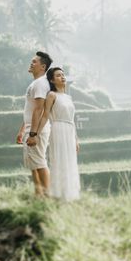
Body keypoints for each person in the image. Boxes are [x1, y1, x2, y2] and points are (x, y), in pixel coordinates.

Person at [36, 66, 80, 201]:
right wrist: (35, 133)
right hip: (57, 129)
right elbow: (45, 116)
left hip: (69, 131)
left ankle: (69, 194)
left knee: (70, 161)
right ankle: (57, 194)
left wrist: (76, 139)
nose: (62, 77)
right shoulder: (51, 95)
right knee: (59, 159)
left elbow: (72, 120)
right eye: (58, 75)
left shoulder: (68, 96)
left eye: (63, 74)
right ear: (52, 80)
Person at [16, 51, 52, 197]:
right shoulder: (36, 83)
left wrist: (33, 134)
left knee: (39, 162)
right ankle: (39, 194)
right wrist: (22, 130)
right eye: (31, 61)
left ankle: (48, 196)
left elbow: (39, 110)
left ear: (43, 67)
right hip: (31, 128)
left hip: (36, 130)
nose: (31, 63)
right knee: (33, 163)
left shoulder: (40, 84)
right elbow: (30, 110)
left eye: (34, 62)